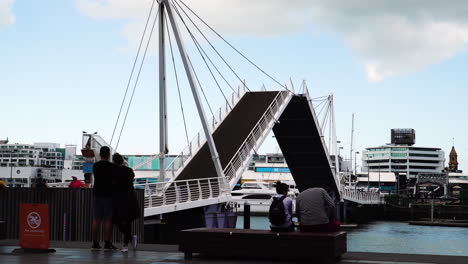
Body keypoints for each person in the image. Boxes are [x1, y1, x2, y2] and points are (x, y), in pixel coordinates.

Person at [111, 153, 140, 253]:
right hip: (130, 198)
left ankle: (130, 239)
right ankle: (126, 243)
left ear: (114, 161)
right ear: (122, 160)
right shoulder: (129, 170)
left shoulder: (113, 171)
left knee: (116, 220)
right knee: (127, 221)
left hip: (118, 199)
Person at [91, 146, 117, 251]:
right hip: (108, 194)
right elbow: (115, 180)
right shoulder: (112, 166)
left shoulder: (95, 166)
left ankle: (95, 242)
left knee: (96, 219)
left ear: (100, 154)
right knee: (108, 219)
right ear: (108, 155)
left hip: (97, 193)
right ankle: (107, 242)